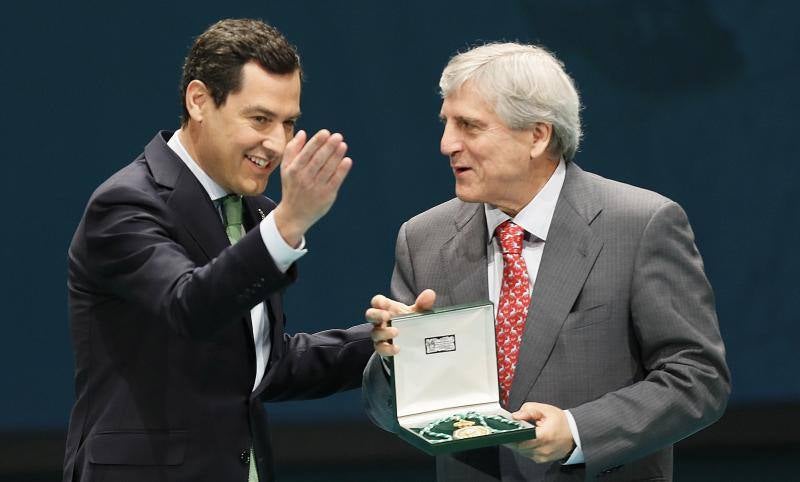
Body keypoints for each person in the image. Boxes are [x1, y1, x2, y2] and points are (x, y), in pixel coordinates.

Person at [363, 42, 730, 481]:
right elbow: (391, 414)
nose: (446, 144)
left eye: (469, 126)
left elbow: (698, 379)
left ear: (537, 136)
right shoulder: (423, 238)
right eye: (446, 123)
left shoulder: (640, 225)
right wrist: (396, 360)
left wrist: (579, 431)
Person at [64, 19, 372, 482]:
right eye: (260, 119)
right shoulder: (125, 204)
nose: (277, 144)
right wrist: (289, 223)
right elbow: (190, 306)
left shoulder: (254, 211)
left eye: (289, 123)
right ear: (199, 101)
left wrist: (386, 342)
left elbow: (269, 366)